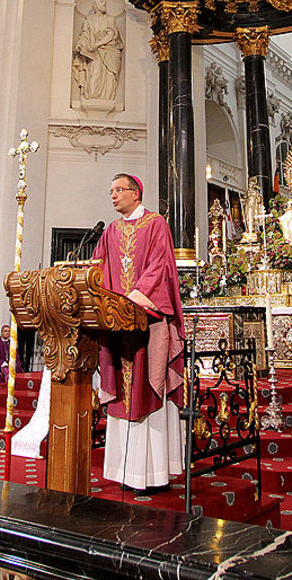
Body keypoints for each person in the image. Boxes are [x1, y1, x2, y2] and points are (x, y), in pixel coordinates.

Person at [91, 172, 185, 491]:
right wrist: (100, 297)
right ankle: (125, 472)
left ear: (136, 193)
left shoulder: (155, 224)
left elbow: (160, 265)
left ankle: (155, 473)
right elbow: (98, 269)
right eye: (111, 191)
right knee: (123, 390)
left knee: (148, 386)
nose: (114, 196)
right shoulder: (111, 231)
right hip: (119, 327)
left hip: (148, 322)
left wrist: (135, 297)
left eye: (119, 190)